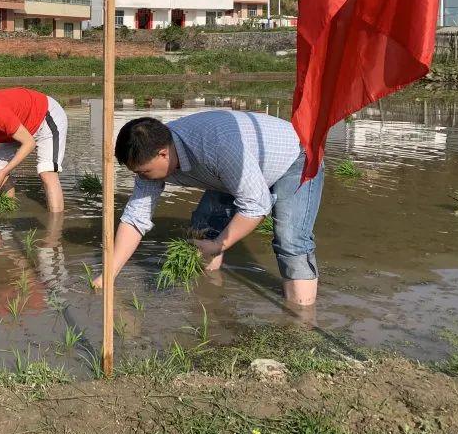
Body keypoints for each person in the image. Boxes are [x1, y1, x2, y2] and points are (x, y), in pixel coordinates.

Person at [92, 111, 324, 306]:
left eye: (144, 172)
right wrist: (109, 274)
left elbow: (256, 205)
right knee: (202, 232)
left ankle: (301, 320)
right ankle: (209, 303)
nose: (142, 178)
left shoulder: (216, 145)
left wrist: (218, 244)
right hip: (232, 171)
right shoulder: (151, 155)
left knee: (290, 239)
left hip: (295, 157)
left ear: (163, 152)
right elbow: (135, 218)